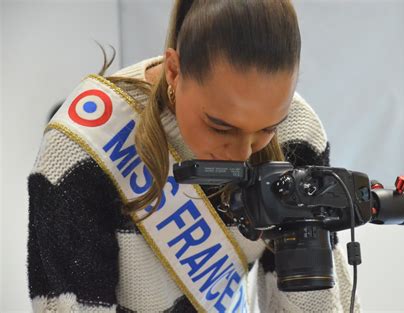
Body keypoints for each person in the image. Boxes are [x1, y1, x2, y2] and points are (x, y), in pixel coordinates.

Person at [27, 1, 361, 312]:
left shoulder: (297, 133)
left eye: (268, 127)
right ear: (174, 70)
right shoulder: (84, 145)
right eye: (220, 127)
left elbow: (313, 301)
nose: (243, 153)